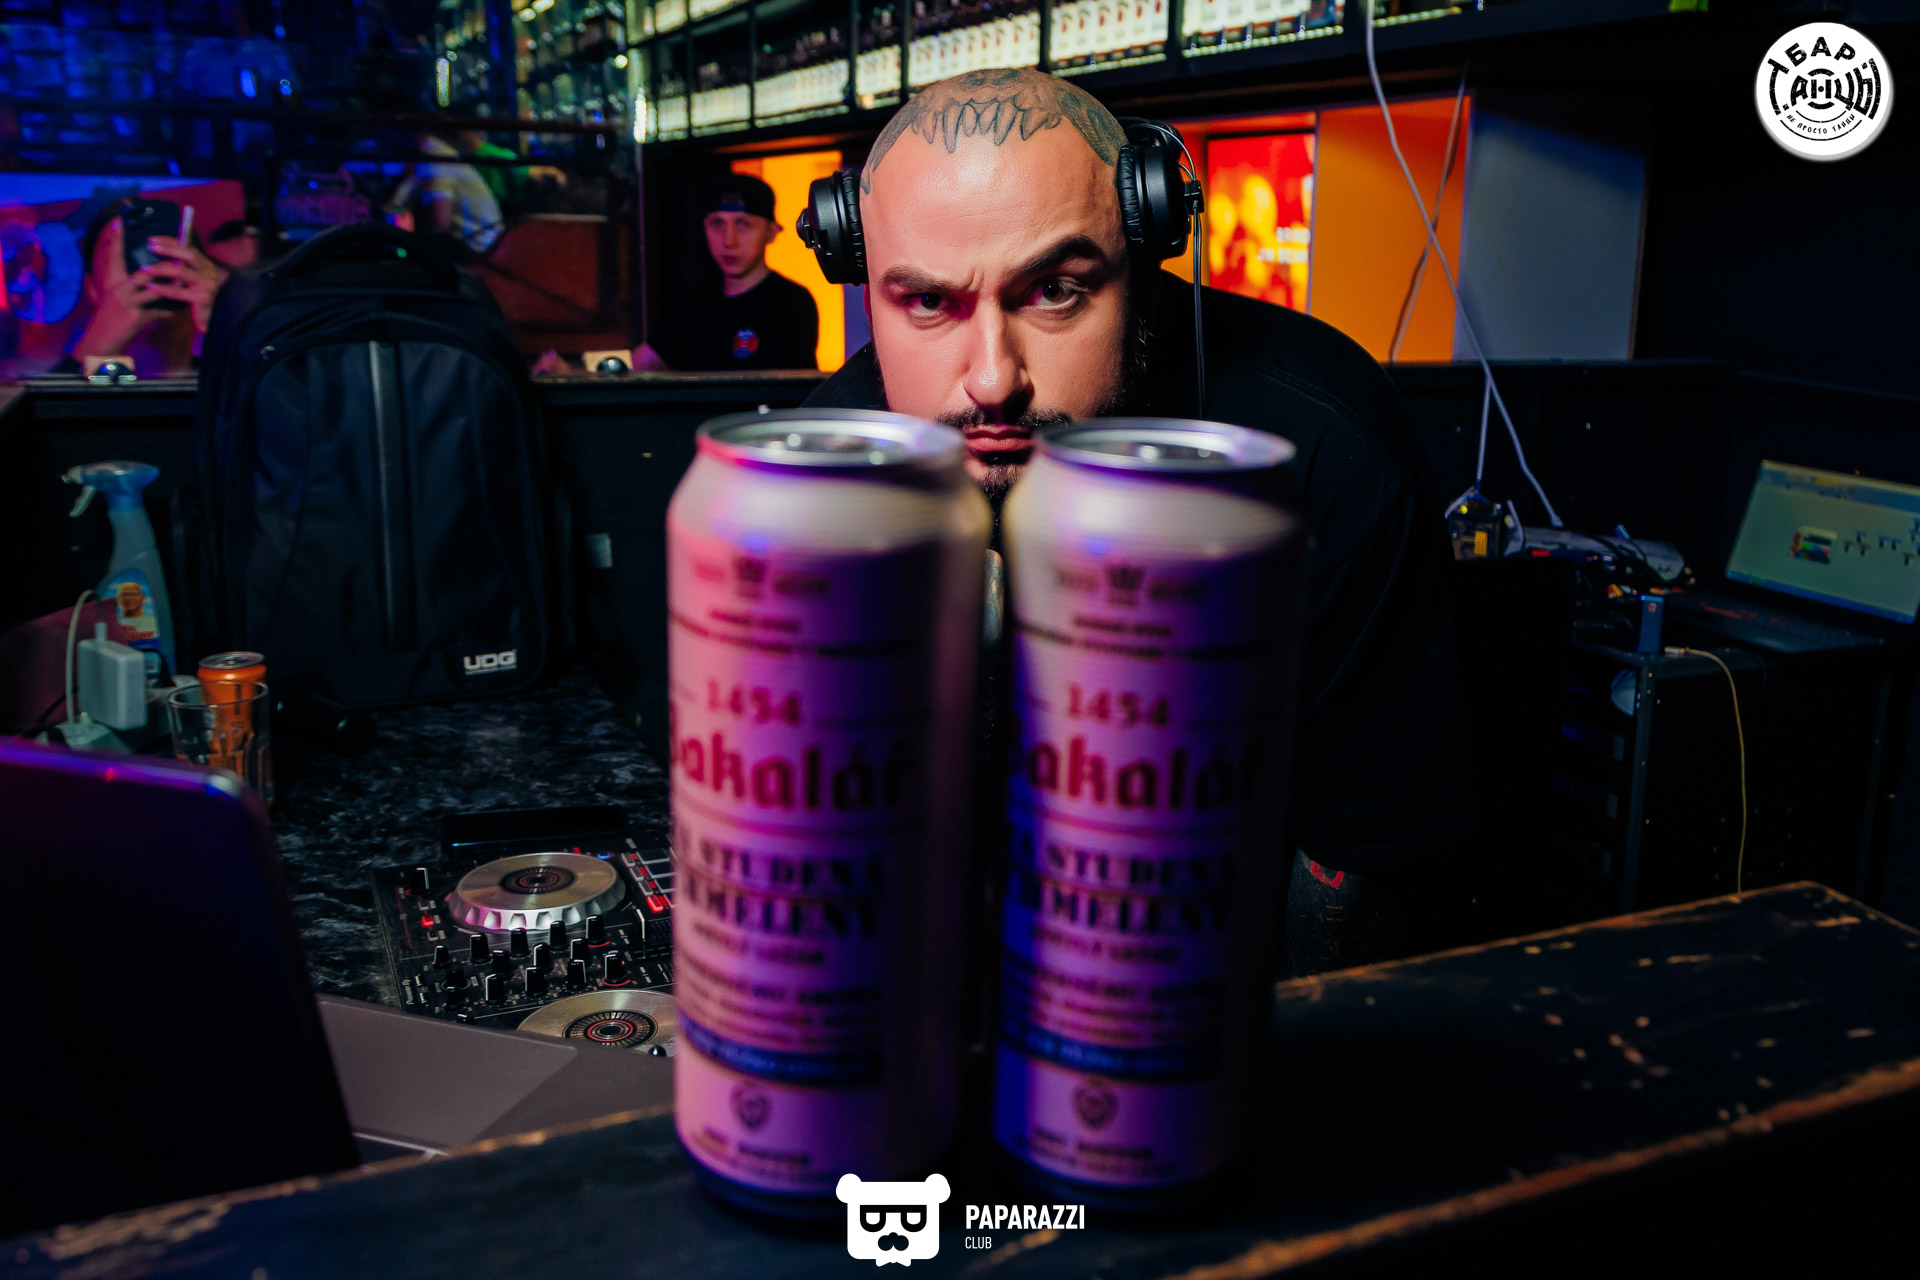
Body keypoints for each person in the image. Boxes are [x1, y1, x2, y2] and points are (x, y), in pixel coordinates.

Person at [802, 68, 1474, 974]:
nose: (993, 380)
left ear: (1146, 251)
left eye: (1055, 290)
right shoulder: (827, 471)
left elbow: (1359, 866)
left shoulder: (1323, 450)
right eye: (927, 301)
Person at [632, 174, 819, 372]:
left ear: (771, 232)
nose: (729, 241)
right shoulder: (694, 303)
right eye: (718, 223)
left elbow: (795, 384)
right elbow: (644, 362)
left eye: (743, 224)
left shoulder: (790, 303)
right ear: (704, 228)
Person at [55, 200, 228, 378]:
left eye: (165, 254)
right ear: (91, 288)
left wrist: (219, 326)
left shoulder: (226, 372)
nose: (148, 269)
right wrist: (92, 352)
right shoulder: (50, 384)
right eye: (126, 257)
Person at [388, 129, 504, 256]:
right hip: (483, 244)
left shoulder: (436, 157)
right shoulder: (431, 154)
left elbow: (441, 225)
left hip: (480, 250)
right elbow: (398, 203)